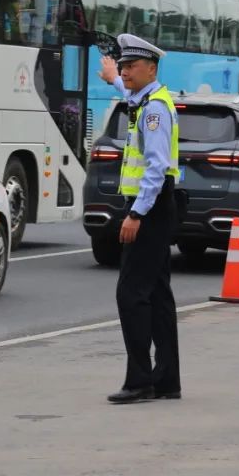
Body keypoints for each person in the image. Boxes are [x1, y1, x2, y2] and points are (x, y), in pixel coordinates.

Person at [96, 34, 182, 403]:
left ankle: (140, 380)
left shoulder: (155, 110)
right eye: (124, 66)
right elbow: (129, 93)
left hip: (150, 207)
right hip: (157, 208)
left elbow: (156, 167)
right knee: (158, 295)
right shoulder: (146, 100)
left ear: (152, 68)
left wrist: (135, 214)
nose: (126, 72)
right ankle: (165, 380)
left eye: (131, 67)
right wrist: (113, 77)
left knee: (131, 295)